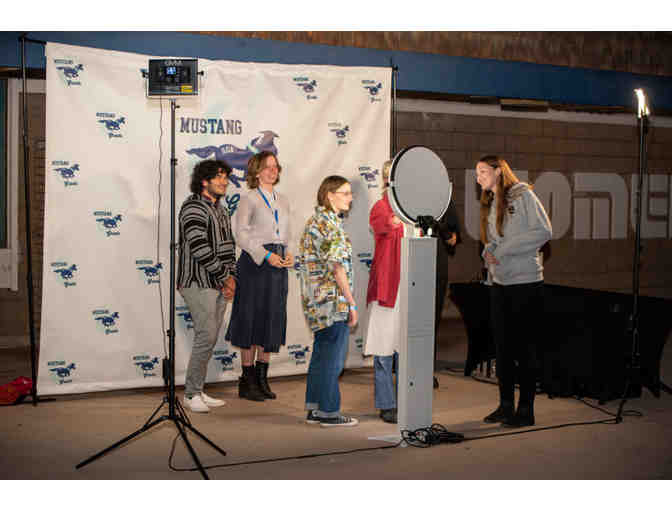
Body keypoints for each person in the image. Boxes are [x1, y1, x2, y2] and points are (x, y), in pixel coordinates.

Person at [476, 155, 552, 427]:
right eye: (477, 174)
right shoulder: (491, 202)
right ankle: (506, 406)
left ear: (498, 171)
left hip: (525, 283)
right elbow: (497, 240)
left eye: (483, 172)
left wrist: (504, 250)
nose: (478, 178)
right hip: (501, 284)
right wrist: (489, 251)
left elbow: (543, 231)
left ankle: (526, 410)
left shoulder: (523, 195)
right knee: (503, 349)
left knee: (525, 349)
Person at [226, 151, 293, 401]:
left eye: (275, 166)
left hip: (278, 265)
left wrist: (289, 254)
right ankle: (247, 379)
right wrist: (266, 255)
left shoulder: (283, 200)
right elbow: (241, 235)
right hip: (255, 265)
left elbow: (287, 234)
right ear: (256, 171)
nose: (272, 171)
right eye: (267, 167)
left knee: (272, 319)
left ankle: (263, 378)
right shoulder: (249, 199)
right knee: (251, 319)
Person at [298, 175, 359, 427]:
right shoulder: (329, 225)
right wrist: (351, 303)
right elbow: (337, 267)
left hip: (317, 303)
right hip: (333, 303)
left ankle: (315, 408)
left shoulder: (315, 221)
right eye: (345, 193)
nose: (350, 198)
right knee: (333, 358)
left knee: (322, 355)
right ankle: (329, 412)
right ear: (329, 195)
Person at [177, 160, 237, 413]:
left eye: (226, 177)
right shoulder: (193, 207)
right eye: (219, 177)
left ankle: (198, 389)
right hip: (197, 282)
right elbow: (199, 248)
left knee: (209, 337)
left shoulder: (221, 210)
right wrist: (226, 277)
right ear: (204, 181)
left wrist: (231, 278)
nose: (224, 182)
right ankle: (191, 394)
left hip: (219, 282)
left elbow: (229, 247)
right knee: (206, 335)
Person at [364, 160, 404, 424]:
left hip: (410, 287)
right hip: (388, 288)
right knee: (384, 349)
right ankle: (387, 404)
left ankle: (406, 400)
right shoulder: (381, 207)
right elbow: (384, 225)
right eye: (391, 176)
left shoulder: (416, 210)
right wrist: (395, 221)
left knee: (406, 349)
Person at [431, 201, 461, 389]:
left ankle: (425, 370)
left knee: (429, 321)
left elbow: (453, 236)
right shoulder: (401, 192)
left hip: (435, 263)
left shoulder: (443, 196)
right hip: (414, 262)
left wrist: (448, 233)